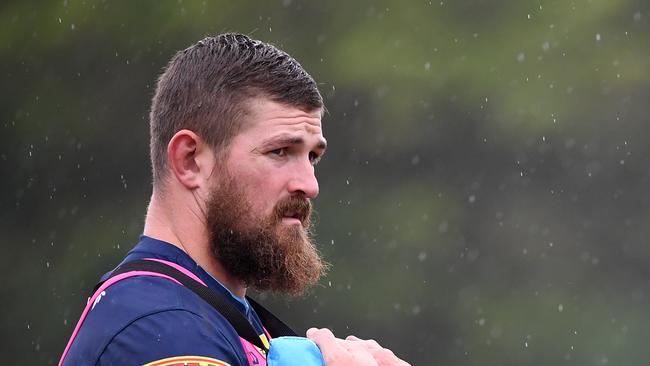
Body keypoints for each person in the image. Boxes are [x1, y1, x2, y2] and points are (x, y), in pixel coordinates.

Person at [59, 33, 409, 366]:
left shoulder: (215, 316)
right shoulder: (162, 329)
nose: (309, 184)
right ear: (190, 160)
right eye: (280, 151)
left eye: (312, 157)